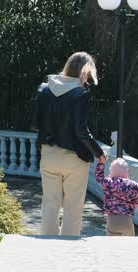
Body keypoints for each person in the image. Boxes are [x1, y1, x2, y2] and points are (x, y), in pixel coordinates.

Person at [31, 52, 107, 236]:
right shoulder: (80, 93)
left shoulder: (44, 89)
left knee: (50, 205)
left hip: (49, 156)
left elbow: (34, 124)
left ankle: (48, 250)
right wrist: (99, 153)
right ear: (84, 71)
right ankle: (68, 252)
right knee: (73, 208)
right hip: (75, 159)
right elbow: (81, 131)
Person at [95, 158, 138, 236]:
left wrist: (101, 163)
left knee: (111, 243)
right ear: (126, 173)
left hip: (112, 220)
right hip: (126, 220)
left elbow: (99, 176)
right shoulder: (131, 187)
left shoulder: (108, 183)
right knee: (129, 243)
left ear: (111, 172)